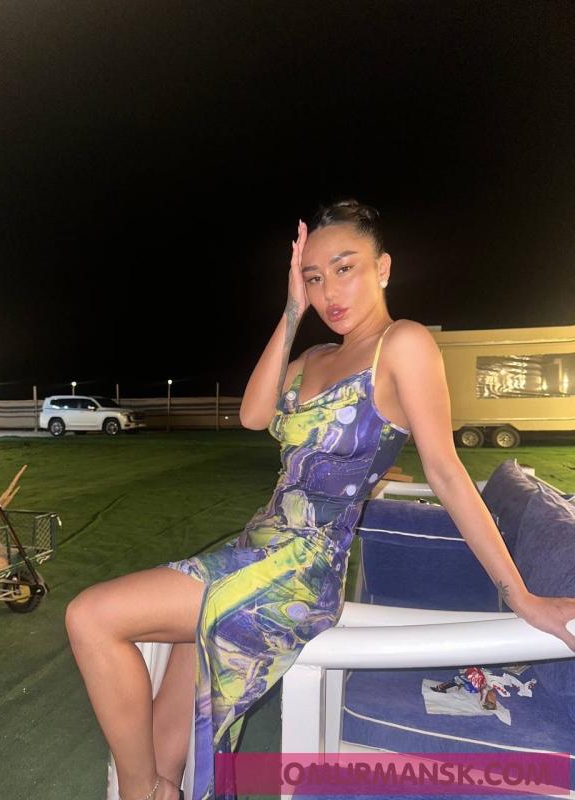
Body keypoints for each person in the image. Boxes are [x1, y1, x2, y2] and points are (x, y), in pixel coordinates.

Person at [65, 199, 575, 800]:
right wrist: (291, 310)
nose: (330, 291)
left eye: (344, 268)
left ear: (383, 267)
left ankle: (138, 792)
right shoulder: (314, 357)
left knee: (92, 617)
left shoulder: (403, 343)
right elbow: (253, 415)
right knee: (168, 739)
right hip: (254, 547)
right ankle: (160, 789)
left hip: (299, 571)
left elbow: (445, 470)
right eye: (313, 277)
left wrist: (521, 597)